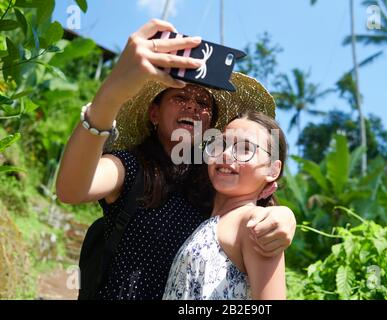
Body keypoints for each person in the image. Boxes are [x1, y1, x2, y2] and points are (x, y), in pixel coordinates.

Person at [56, 19, 296, 300]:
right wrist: (110, 96)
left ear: (211, 126)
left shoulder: (216, 182)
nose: (192, 105)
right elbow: (71, 189)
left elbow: (251, 208)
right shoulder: (132, 168)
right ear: (154, 113)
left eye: (203, 103)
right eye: (180, 97)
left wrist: (283, 216)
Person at [163, 111, 288, 300]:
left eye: (245, 148)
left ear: (272, 169)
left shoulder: (254, 225)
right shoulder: (208, 221)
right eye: (220, 144)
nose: (226, 154)